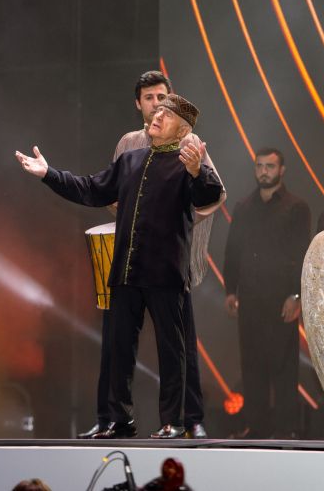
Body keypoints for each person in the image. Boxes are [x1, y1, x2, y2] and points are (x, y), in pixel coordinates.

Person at [16, 95, 223, 439]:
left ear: (182, 131)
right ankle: (118, 420)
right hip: (126, 269)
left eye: (167, 114)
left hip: (165, 273)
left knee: (172, 350)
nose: (157, 116)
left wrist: (197, 172)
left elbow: (210, 196)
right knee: (118, 349)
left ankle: (173, 421)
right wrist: (48, 174)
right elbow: (91, 190)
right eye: (157, 110)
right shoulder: (130, 160)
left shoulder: (187, 164)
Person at [77, 72, 225, 441]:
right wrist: (136, 214)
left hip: (170, 260)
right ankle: (112, 418)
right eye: (149, 99)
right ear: (138, 104)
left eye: (163, 99)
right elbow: (109, 188)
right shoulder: (129, 144)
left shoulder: (188, 142)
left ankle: (187, 419)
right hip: (130, 257)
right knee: (116, 341)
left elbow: (211, 194)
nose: (157, 106)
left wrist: (172, 218)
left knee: (177, 343)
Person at [223, 147, 310, 438]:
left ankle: (287, 429)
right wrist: (230, 290)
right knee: (252, 365)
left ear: (281, 170)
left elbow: (301, 253)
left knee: (284, 365)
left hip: (281, 298)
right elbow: (233, 251)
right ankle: (257, 427)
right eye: (259, 166)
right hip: (250, 298)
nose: (264, 171)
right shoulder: (244, 207)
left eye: (270, 166)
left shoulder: (296, 207)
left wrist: (296, 295)